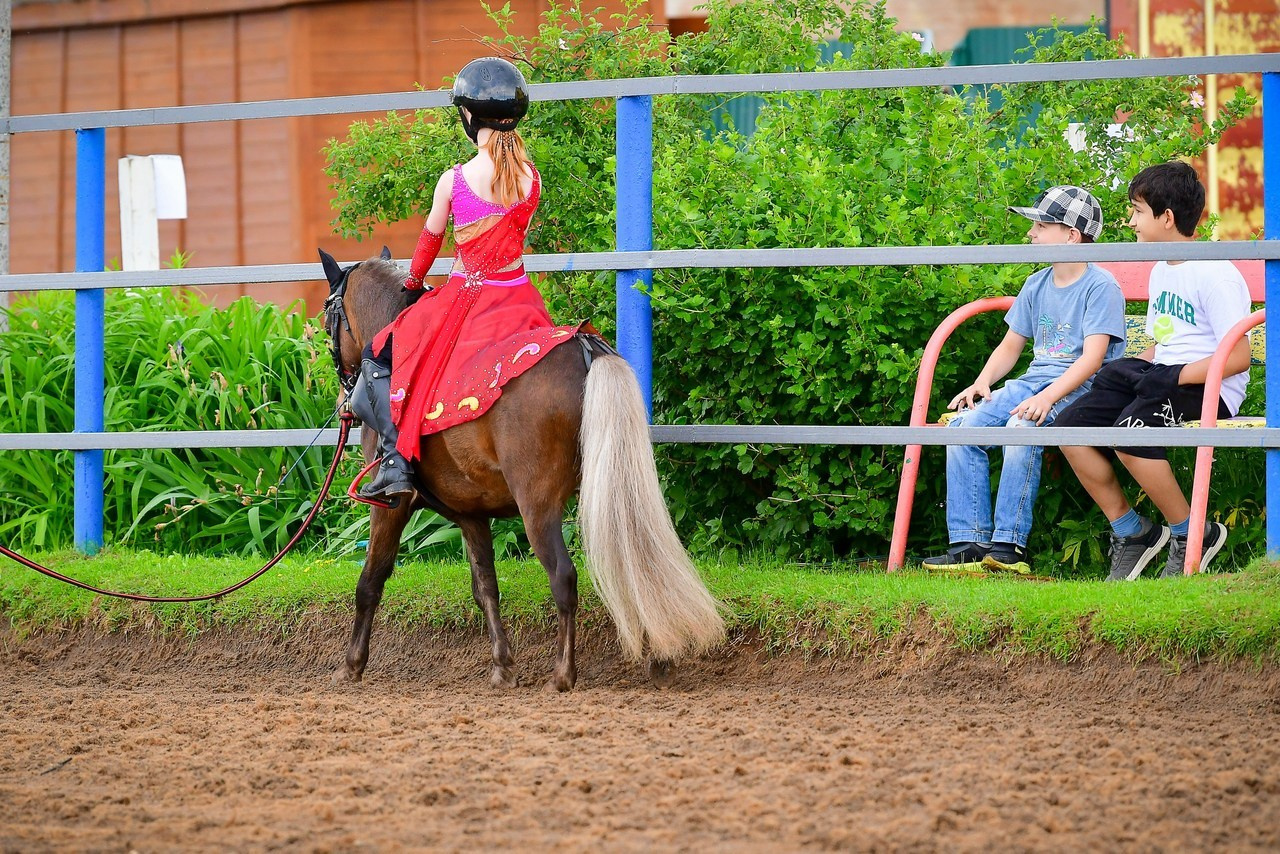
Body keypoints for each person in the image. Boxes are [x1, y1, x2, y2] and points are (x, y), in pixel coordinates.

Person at [349, 56, 582, 506]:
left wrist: (413, 283)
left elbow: (429, 243)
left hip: (468, 299)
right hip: (518, 297)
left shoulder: (454, 181)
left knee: (382, 352)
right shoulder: (531, 179)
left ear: (468, 116)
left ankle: (396, 463)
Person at [1055, 161, 1251, 581]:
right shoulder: (1162, 268)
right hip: (1164, 377)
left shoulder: (1216, 273)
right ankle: (1133, 533)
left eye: (1137, 211)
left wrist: (1172, 375)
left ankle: (1192, 533)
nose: (1130, 222)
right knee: (1069, 428)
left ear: (1166, 218)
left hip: (1209, 388)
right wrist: (1137, 366)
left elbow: (1237, 358)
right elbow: (1166, 340)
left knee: (1130, 434)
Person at [923, 186, 1125, 576]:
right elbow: (1011, 347)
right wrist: (982, 382)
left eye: (1040, 225)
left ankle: (1008, 547)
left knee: (1021, 427)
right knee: (962, 426)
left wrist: (1049, 397)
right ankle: (969, 542)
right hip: (1033, 383)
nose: (1030, 234)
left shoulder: (1101, 287)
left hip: (1080, 389)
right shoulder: (1036, 284)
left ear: (1071, 235)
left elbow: (1093, 358)